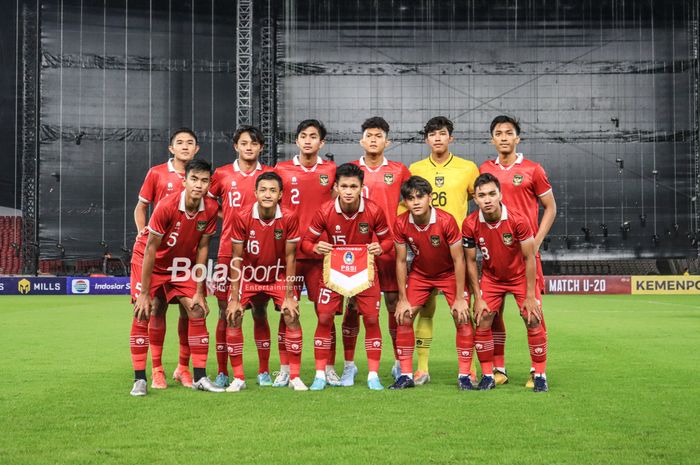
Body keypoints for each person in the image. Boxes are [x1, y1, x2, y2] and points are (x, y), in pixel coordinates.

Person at [129, 158, 223, 396]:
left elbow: (203, 248)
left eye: (204, 180)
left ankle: (199, 377)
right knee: (147, 310)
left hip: (181, 265)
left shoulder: (211, 208)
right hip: (150, 259)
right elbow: (151, 248)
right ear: (184, 180)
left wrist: (200, 290)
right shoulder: (166, 206)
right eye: (194, 179)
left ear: (209, 183)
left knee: (197, 309)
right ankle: (144, 376)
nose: (199, 185)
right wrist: (143, 293)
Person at [479, 115, 556, 387]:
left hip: (524, 256)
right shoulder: (485, 169)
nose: (503, 137)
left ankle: (538, 372)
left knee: (532, 315)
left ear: (517, 138)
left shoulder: (533, 170)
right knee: (490, 315)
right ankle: (497, 369)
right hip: (495, 256)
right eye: (498, 133)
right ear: (492, 139)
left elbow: (551, 207)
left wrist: (537, 240)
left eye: (508, 132)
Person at [300, 163, 392, 391]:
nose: (349, 191)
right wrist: (315, 248)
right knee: (324, 318)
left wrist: (380, 248)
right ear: (336, 187)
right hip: (333, 272)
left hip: (364, 272)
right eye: (344, 186)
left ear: (362, 187)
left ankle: (373, 375)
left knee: (371, 319)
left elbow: (389, 240)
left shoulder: (373, 210)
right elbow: (305, 243)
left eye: (353, 186)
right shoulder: (325, 211)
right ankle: (320, 374)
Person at [404, 116, 480, 385]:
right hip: (426, 254)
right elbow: (407, 207)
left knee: (463, 310)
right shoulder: (415, 168)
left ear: (451, 138)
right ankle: (422, 369)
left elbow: (480, 197)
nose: (437, 138)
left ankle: (468, 368)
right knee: (425, 311)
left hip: (457, 252)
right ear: (426, 139)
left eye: (442, 133)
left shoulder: (468, 168)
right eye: (432, 134)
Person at [340, 117, 412, 384]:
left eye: (378, 135)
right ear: (361, 140)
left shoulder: (399, 170)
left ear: (386, 141)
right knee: (353, 305)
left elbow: (412, 204)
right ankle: (350, 365)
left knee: (394, 304)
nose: (373, 139)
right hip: (356, 251)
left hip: (389, 248)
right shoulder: (349, 171)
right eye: (368, 135)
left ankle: (397, 362)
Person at [462, 173, 548, 392]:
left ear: (500, 194)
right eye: (481, 195)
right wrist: (478, 298)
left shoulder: (519, 220)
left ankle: (539, 375)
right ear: (476, 199)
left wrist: (530, 296)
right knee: (482, 318)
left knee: (533, 318)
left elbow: (529, 258)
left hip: (520, 276)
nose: (487, 199)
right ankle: (489, 375)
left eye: (492, 194)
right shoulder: (470, 224)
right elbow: (470, 261)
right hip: (492, 278)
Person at [225, 172, 307, 392]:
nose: (267, 194)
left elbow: (291, 257)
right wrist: (234, 298)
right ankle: (239, 378)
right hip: (249, 277)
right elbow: (236, 258)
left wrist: (289, 296)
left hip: (278, 276)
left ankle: (295, 377)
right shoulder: (242, 216)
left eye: (272, 190)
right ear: (255, 193)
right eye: (263, 190)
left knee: (291, 314)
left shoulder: (289, 216)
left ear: (280, 194)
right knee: (233, 316)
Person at [391, 176, 474, 390]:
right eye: (410, 198)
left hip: (449, 274)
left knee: (462, 315)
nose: (416, 202)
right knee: (403, 316)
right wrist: (402, 299)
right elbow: (400, 260)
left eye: (420, 197)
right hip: (420, 274)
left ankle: (465, 374)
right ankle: (406, 375)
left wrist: (459, 298)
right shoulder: (401, 223)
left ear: (430, 198)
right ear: (405, 202)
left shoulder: (446, 221)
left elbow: (459, 259)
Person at [274, 119, 340, 387]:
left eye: (314, 136)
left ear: (321, 142)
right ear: (297, 140)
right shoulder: (281, 169)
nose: (308, 140)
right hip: (289, 254)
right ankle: (285, 368)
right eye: (303, 136)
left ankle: (330, 367)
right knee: (286, 311)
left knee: (326, 314)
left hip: (322, 255)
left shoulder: (331, 170)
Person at [132, 128, 199, 389]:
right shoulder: (157, 173)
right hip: (159, 255)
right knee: (156, 307)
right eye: (179, 143)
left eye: (190, 143)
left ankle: (183, 368)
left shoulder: (201, 176)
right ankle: (157, 369)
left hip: (186, 255)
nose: (185, 146)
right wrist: (142, 233)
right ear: (171, 148)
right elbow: (141, 207)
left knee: (189, 309)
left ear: (197, 149)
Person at [208, 125, 274, 388]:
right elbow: (209, 203)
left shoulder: (270, 175)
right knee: (226, 312)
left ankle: (263, 371)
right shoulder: (222, 174)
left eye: (254, 143)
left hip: (261, 256)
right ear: (236, 146)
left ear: (261, 147)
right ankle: (223, 371)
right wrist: (231, 220)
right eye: (244, 143)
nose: (249, 147)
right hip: (227, 252)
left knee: (260, 311)